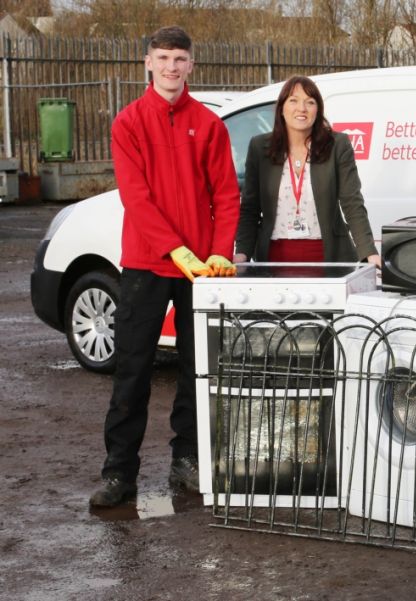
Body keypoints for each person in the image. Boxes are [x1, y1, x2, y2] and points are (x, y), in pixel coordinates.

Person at [89, 26, 240, 507]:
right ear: (147, 63)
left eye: (180, 58)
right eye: (163, 58)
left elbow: (226, 195)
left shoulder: (209, 125)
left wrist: (218, 250)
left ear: (191, 65)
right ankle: (119, 474)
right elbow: (137, 198)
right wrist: (176, 250)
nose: (172, 67)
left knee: (198, 373)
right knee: (132, 370)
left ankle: (187, 461)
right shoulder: (129, 123)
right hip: (145, 266)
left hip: (201, 273)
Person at [234, 75, 379, 267]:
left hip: (328, 257)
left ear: (318, 110)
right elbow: (250, 208)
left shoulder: (337, 145)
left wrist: (369, 252)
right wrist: (242, 253)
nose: (301, 108)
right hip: (274, 258)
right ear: (282, 109)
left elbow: (352, 202)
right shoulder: (260, 147)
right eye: (293, 100)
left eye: (309, 102)